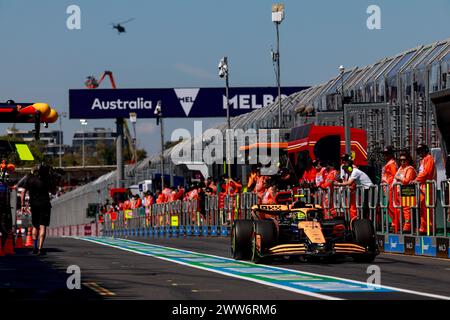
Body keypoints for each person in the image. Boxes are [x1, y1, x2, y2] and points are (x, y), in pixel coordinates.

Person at [19, 164, 57, 255]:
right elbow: (54, 191)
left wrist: (23, 205)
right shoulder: (47, 179)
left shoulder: (30, 178)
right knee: (43, 226)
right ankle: (40, 248)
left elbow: (23, 192)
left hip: (34, 205)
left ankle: (35, 247)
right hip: (45, 205)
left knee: (35, 226)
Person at [412, 144, 436, 234]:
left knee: (427, 208)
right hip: (422, 187)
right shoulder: (423, 160)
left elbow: (426, 173)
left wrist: (416, 180)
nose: (420, 153)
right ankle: (424, 228)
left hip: (427, 187)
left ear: (425, 150)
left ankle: (429, 229)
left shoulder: (428, 158)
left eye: (421, 150)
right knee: (423, 209)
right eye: (419, 151)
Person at [393, 152, 417, 233]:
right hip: (400, 191)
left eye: (404, 160)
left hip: (408, 190)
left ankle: (407, 227)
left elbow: (407, 180)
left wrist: (398, 178)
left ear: (408, 160)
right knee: (400, 210)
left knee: (407, 210)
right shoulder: (400, 168)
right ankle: (402, 225)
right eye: (400, 160)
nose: (402, 162)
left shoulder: (410, 168)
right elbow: (395, 178)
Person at [381, 146, 399, 233]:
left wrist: (392, 186)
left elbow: (396, 176)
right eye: (384, 154)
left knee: (392, 207)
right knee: (389, 207)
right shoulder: (389, 163)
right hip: (387, 188)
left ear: (391, 154)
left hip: (391, 188)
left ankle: (396, 224)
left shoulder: (392, 163)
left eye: (387, 154)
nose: (385, 156)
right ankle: (394, 223)